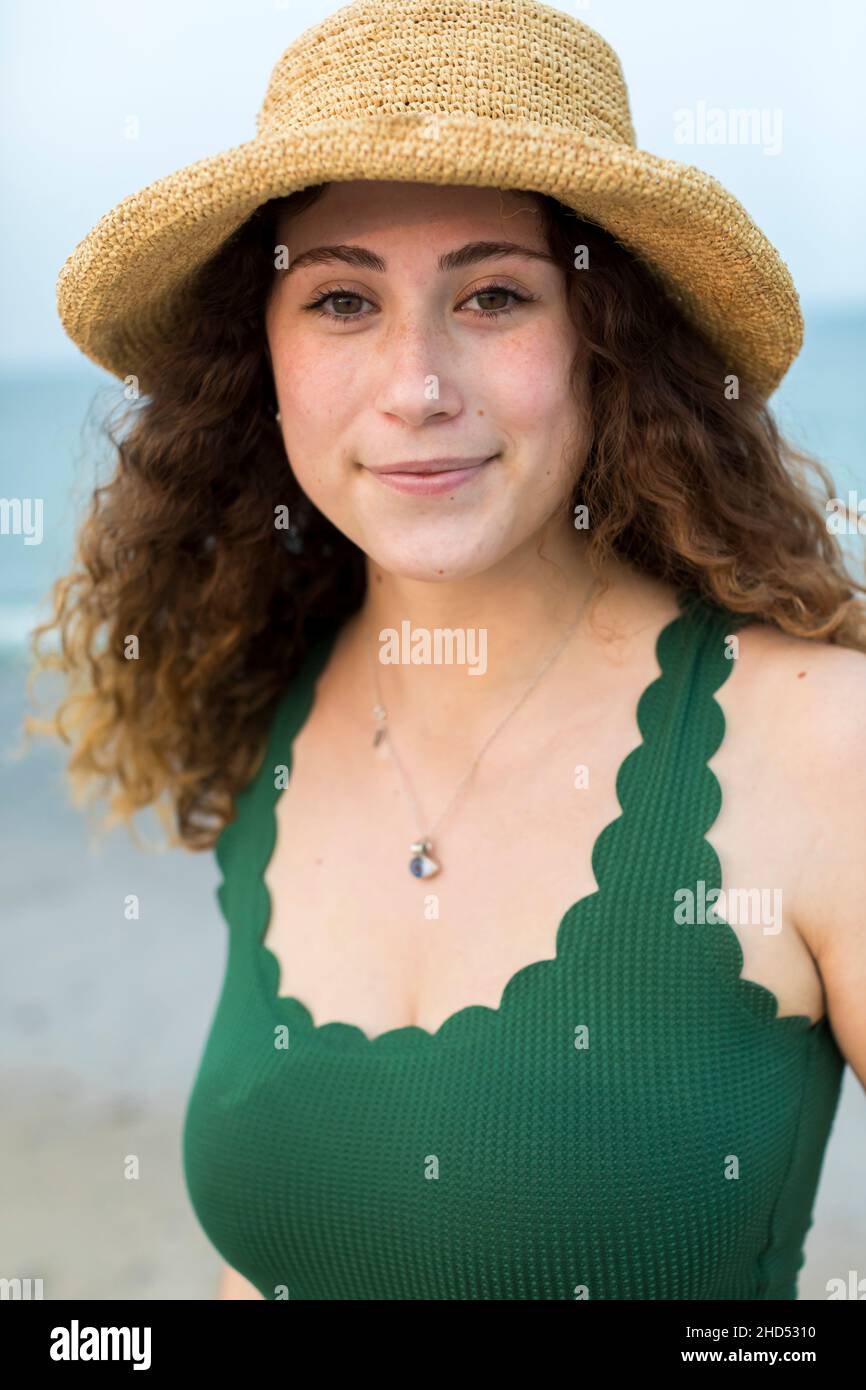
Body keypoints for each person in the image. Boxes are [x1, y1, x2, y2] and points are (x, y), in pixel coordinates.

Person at [40, 0, 865, 1300]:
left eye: (492, 294)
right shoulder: (272, 713)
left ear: (611, 342)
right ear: (259, 356)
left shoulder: (824, 745)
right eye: (340, 299)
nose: (416, 384)